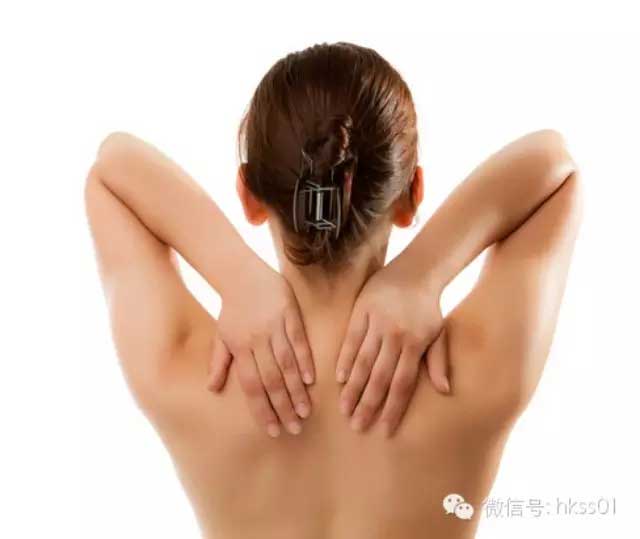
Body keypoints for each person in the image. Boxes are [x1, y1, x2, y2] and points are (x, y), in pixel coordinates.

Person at [85, 42, 583, 539]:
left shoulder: (186, 371)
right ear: (412, 195)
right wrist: (422, 272)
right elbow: (555, 167)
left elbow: (113, 167)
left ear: (248, 195)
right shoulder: (474, 369)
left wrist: (237, 275)